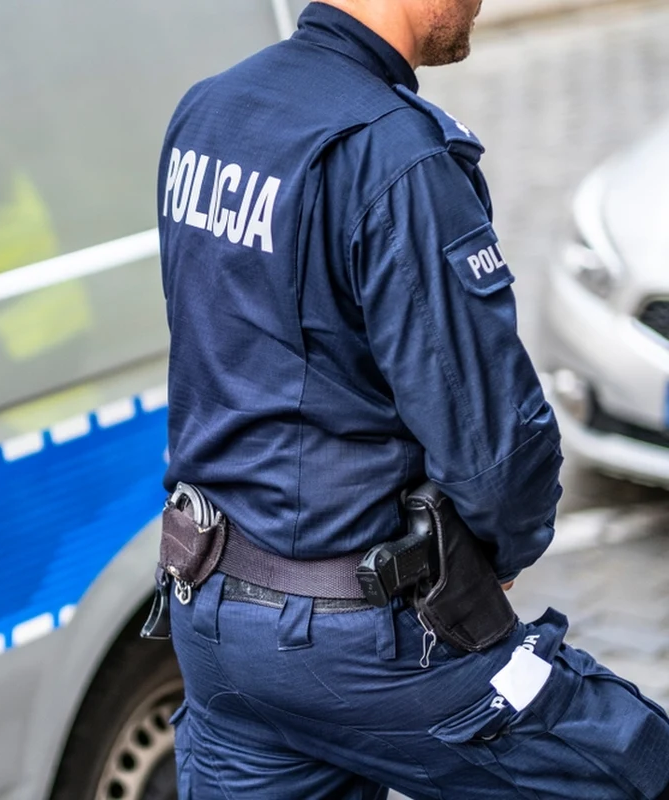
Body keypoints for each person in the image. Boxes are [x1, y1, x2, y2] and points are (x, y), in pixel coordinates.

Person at [156, 2, 669, 799]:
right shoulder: (395, 154)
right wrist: (505, 547)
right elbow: (491, 439)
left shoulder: (208, 111)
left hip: (215, 622)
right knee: (642, 769)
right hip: (367, 649)